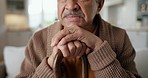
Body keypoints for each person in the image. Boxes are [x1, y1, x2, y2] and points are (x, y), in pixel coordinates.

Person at [16, 0, 141, 78]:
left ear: (99, 4)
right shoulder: (38, 39)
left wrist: (99, 49)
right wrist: (51, 63)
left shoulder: (119, 37)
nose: (70, 6)